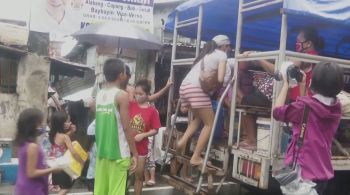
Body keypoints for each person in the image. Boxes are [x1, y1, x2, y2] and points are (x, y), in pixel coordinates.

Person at [273, 61, 343, 195]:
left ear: (314, 83)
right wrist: (303, 86)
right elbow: (308, 109)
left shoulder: (303, 107)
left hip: (303, 176)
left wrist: (286, 85)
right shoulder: (336, 108)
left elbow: (277, 112)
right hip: (322, 173)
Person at [177, 35, 231, 166]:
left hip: (184, 87)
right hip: (197, 89)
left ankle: (182, 141)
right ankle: (195, 157)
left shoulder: (206, 55)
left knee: (198, 118)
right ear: (224, 46)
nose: (229, 49)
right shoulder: (222, 55)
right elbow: (219, 79)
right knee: (210, 124)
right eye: (229, 47)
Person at [94, 58, 138, 195]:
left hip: (102, 153)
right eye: (125, 72)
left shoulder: (99, 94)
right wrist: (134, 153)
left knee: (101, 191)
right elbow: (126, 127)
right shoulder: (122, 95)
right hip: (119, 154)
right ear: (121, 75)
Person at [14, 108, 61, 195]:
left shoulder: (23, 143)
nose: (42, 126)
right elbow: (31, 173)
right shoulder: (32, 146)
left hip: (24, 187)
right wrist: (52, 169)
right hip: (32, 189)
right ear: (32, 125)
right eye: (40, 123)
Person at [129, 79, 161, 195]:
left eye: (141, 94)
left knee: (139, 175)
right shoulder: (130, 105)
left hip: (141, 148)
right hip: (127, 147)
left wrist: (143, 135)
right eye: (136, 93)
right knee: (125, 175)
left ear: (148, 95)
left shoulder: (152, 111)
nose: (137, 96)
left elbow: (156, 130)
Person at [48, 111, 84, 195]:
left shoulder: (53, 134)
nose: (70, 123)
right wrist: (81, 161)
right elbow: (74, 153)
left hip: (55, 164)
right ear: (61, 123)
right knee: (66, 188)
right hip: (63, 166)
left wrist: (71, 131)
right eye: (67, 121)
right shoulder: (65, 137)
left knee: (62, 187)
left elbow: (62, 139)